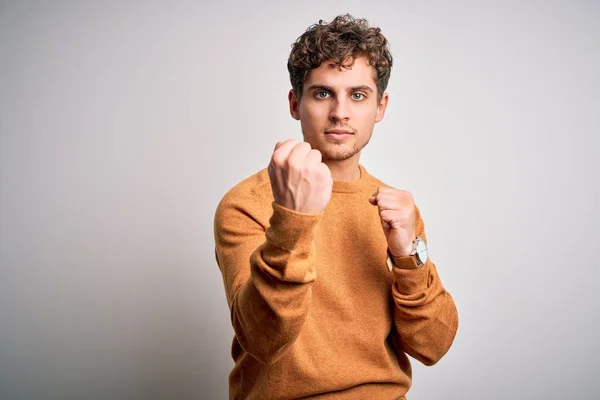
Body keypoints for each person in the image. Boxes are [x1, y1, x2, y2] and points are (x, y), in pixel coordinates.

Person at [213, 14, 458, 400]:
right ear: (296, 103)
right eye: (323, 93)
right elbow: (263, 340)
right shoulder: (247, 204)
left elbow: (434, 345)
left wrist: (409, 257)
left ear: (380, 107)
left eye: (358, 95)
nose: (340, 112)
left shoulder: (396, 209)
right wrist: (293, 219)